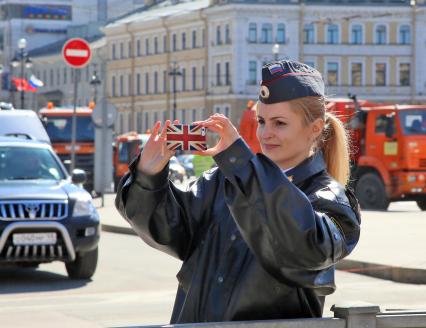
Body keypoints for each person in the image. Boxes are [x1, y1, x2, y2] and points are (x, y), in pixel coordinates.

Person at [115, 59, 361, 324]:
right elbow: (169, 231)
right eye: (261, 121)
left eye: (279, 123)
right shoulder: (226, 180)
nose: (266, 133)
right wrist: (149, 179)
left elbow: (303, 247)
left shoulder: (331, 199)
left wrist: (242, 166)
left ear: (314, 128)